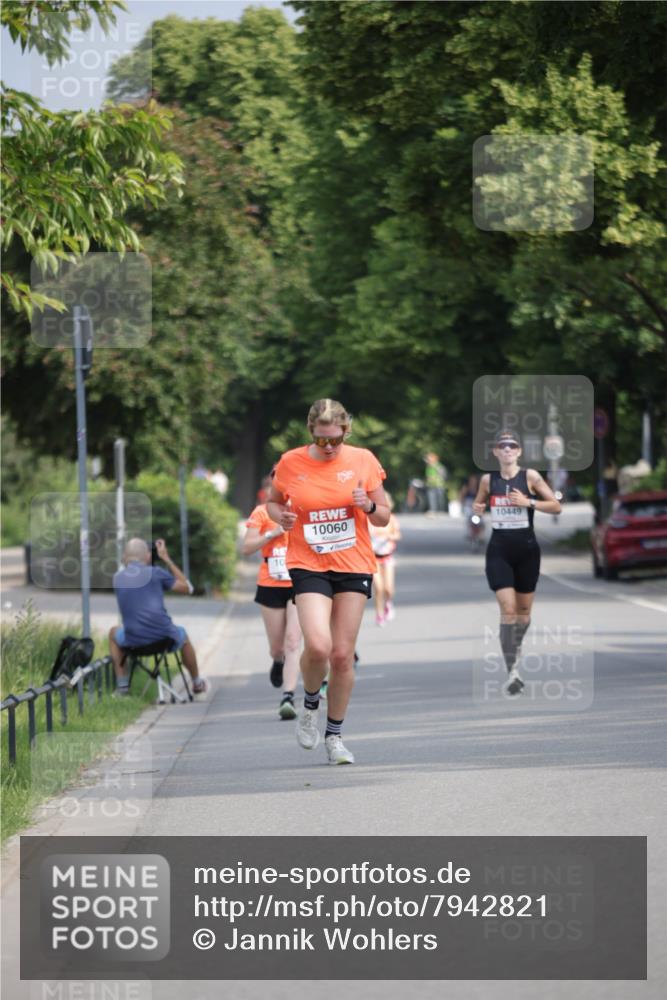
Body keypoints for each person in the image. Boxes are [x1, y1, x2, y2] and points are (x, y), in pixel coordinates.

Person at [267, 398, 389, 765]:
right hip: (309, 563)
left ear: (345, 432)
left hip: (353, 563)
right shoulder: (291, 462)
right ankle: (308, 707)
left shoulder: (363, 460)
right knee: (317, 646)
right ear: (312, 434)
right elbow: (274, 502)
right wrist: (282, 518)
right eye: (322, 441)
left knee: (341, 655)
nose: (329, 447)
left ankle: (334, 737)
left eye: (335, 439)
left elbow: (383, 516)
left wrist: (367, 506)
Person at [473, 431, 561, 695]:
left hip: (527, 552)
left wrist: (528, 502)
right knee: (508, 611)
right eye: (503, 446)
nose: (508, 449)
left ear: (519, 452)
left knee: (523, 615)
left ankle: (516, 647)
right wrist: (478, 509)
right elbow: (478, 505)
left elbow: (556, 506)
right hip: (499, 551)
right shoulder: (488, 480)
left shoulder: (530, 477)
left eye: (513, 446)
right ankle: (512, 670)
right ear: (496, 452)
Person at [109, 538, 208, 696]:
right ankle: (196, 683)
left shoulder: (117, 578)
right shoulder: (156, 573)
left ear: (125, 557)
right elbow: (188, 588)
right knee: (184, 636)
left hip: (133, 641)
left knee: (113, 632)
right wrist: (166, 558)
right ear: (148, 556)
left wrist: (126, 557)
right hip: (164, 638)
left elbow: (128, 568)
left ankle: (122, 687)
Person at [242, 486, 301, 720]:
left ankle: (288, 695)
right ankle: (278, 661)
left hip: (299, 582)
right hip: (271, 583)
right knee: (277, 648)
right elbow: (246, 548)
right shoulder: (261, 513)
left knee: (293, 641)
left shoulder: (302, 510)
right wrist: (273, 533)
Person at [369, 492, 401, 626]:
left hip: (387, 557)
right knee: (379, 588)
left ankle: (388, 603)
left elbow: (397, 535)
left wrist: (388, 537)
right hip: (373, 558)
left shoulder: (392, 519)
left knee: (388, 588)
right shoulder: (368, 519)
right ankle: (379, 614)